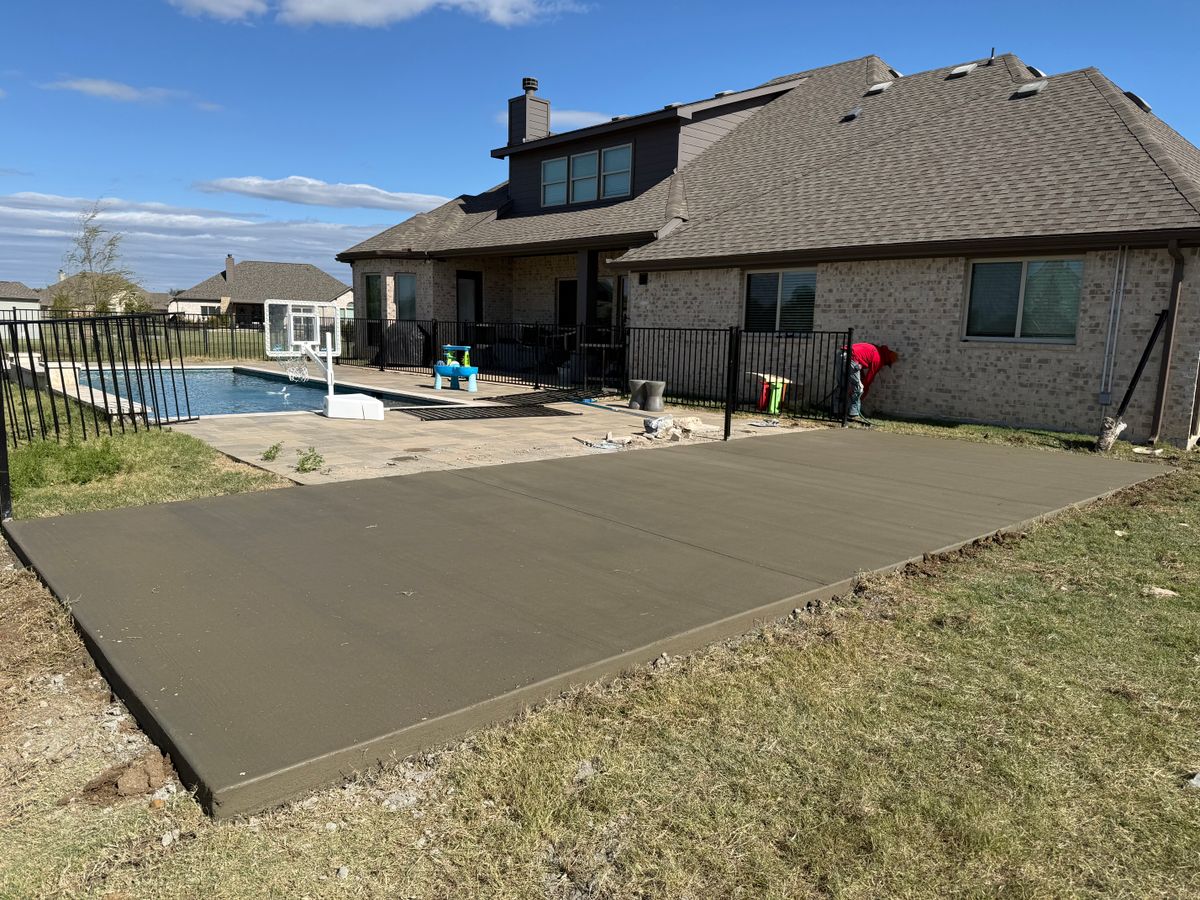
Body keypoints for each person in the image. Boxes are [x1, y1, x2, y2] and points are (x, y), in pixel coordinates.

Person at [839, 342, 899, 425]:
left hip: (841, 354)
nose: (885, 365)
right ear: (887, 359)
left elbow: (860, 362)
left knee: (842, 385)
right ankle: (853, 414)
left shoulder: (876, 349)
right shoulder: (879, 358)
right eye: (888, 364)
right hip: (851, 358)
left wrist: (861, 379)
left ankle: (837, 411)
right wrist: (863, 391)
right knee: (859, 388)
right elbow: (869, 379)